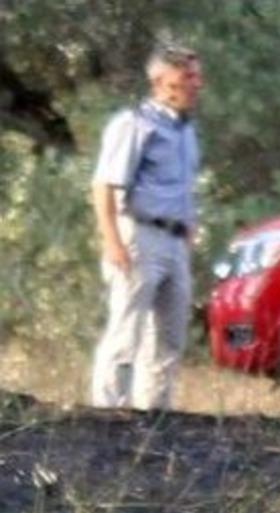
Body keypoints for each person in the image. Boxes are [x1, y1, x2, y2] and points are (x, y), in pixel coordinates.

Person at [90, 44, 201, 411]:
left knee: (169, 335)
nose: (196, 83)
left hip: (174, 239)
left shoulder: (186, 131)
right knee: (127, 327)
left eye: (196, 75)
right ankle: (108, 409)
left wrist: (188, 225)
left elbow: (181, 184)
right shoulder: (134, 124)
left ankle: (154, 414)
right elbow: (104, 184)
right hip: (140, 234)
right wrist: (112, 241)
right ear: (160, 81)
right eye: (187, 76)